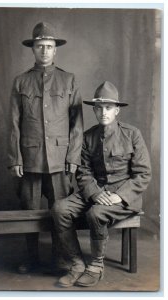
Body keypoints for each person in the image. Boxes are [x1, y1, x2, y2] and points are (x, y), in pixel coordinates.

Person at [51, 81, 152, 287]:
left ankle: (96, 266)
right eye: (99, 108)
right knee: (59, 208)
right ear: (95, 110)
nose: (103, 112)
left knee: (95, 213)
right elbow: (84, 171)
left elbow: (143, 174)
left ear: (117, 111)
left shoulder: (132, 134)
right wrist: (95, 193)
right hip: (96, 192)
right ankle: (76, 264)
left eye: (108, 108)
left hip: (124, 197)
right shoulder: (88, 137)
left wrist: (119, 196)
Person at [8, 22, 83, 274]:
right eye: (40, 46)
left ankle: (59, 259)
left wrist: (73, 157)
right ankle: (31, 259)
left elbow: (77, 125)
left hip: (60, 159)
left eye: (49, 47)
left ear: (55, 50)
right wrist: (15, 158)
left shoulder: (69, 80)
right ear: (33, 49)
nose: (44, 51)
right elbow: (13, 124)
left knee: (60, 213)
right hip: (30, 158)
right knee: (29, 213)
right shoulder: (21, 82)